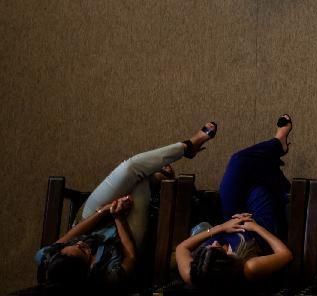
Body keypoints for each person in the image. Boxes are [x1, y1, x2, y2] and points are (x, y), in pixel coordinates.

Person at [36, 121, 218, 293]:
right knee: (136, 186)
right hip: (124, 239)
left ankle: (187, 147)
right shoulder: (107, 279)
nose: (80, 243)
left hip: (91, 221)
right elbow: (130, 255)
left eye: (74, 246)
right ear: (87, 270)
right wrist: (119, 218)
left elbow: (74, 234)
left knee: (129, 168)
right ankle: (155, 179)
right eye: (83, 250)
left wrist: (105, 210)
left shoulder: (47, 258)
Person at [176, 115, 294, 292]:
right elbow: (285, 255)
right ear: (228, 264)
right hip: (259, 227)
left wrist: (222, 228)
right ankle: (277, 148)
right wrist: (255, 227)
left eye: (206, 249)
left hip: (229, 219)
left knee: (238, 162)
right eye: (217, 250)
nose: (213, 244)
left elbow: (182, 247)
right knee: (258, 186)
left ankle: (278, 148)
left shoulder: (195, 274)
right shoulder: (248, 268)